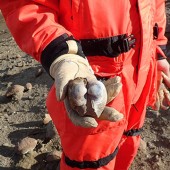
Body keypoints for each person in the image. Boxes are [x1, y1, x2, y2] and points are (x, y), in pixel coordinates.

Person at [0, 0, 170, 169]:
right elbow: (27, 5)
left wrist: (157, 50)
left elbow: (155, 4)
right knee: (89, 160)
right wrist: (61, 52)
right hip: (87, 77)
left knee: (129, 139)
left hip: (142, 72)